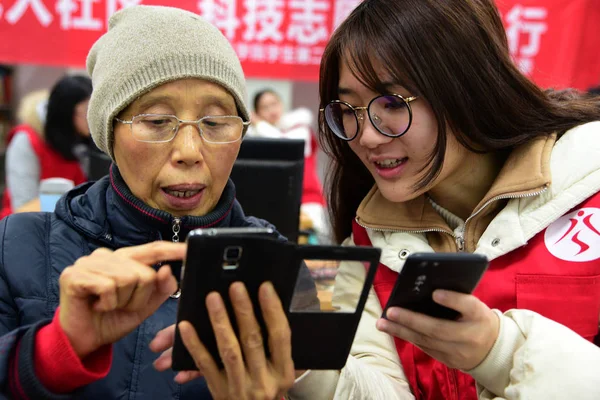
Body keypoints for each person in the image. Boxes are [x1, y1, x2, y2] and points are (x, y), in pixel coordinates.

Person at [157, 0, 600, 399]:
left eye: (391, 102)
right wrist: (303, 364)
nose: (366, 136)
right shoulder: (360, 248)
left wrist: (500, 353)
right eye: (347, 110)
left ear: (468, 85)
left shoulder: (589, 185)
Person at [0, 5, 316, 399]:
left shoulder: (280, 268)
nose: (189, 151)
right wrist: (51, 354)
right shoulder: (15, 248)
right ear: (109, 132)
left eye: (215, 123)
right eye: (156, 121)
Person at [0, 76, 92, 217]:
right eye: (87, 111)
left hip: (68, 224)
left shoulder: (81, 140)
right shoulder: (26, 140)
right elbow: (24, 204)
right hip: (25, 227)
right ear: (67, 112)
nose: (91, 118)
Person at [248, 89, 329, 240]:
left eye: (274, 103)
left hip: (307, 199)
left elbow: (284, 145)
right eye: (265, 107)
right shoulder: (255, 137)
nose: (271, 110)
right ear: (257, 112)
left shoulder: (299, 128)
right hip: (275, 201)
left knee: (310, 247)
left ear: (282, 104)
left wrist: (259, 125)